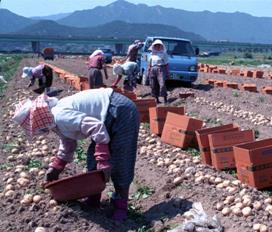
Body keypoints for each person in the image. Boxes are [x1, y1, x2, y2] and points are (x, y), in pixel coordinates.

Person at [12, 89, 140, 221]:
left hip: (121, 111)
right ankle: (94, 198)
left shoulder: (60, 116)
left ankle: (121, 205)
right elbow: (68, 143)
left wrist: (103, 158)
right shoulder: (54, 120)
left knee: (121, 160)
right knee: (92, 160)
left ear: (37, 118)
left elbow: (96, 126)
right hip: (107, 114)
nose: (39, 130)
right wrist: (57, 167)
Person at [147, 39, 169, 104]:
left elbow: (167, 63)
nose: (157, 47)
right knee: (153, 84)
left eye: (159, 45)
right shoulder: (151, 54)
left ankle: (165, 99)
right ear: (154, 46)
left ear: (161, 46)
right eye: (156, 45)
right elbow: (149, 64)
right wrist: (148, 71)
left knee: (162, 84)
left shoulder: (164, 54)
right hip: (152, 69)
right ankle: (157, 99)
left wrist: (167, 72)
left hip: (160, 69)